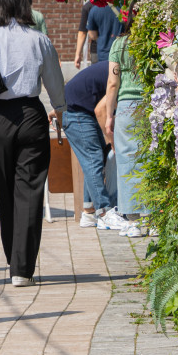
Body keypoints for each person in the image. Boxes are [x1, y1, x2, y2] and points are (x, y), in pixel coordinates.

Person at [0, 0, 64, 286]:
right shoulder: (40, 39)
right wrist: (59, 110)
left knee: (6, 188)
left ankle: (13, 258)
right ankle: (22, 268)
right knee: (30, 190)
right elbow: (55, 85)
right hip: (32, 114)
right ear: (24, 4)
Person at [104, 10, 149, 238]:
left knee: (127, 161)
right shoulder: (153, 42)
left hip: (128, 106)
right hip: (153, 105)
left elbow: (113, 82)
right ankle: (153, 216)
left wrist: (109, 116)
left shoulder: (119, 44)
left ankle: (133, 220)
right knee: (149, 158)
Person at [62, 60, 121, 229]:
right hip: (77, 112)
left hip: (76, 108)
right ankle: (104, 212)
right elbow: (101, 111)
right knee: (93, 159)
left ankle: (89, 212)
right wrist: (113, 142)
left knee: (94, 160)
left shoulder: (114, 66)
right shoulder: (119, 74)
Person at [74, 1, 93, 69]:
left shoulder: (88, 7)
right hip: (117, 47)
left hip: (97, 50)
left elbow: (82, 32)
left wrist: (78, 55)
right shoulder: (117, 3)